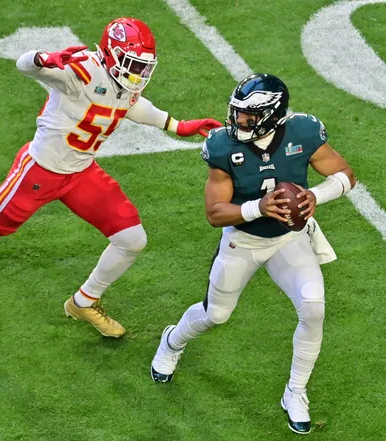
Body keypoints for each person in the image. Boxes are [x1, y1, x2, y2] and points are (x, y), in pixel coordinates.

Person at [0, 17, 222, 339]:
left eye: (143, 66)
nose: (139, 73)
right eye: (133, 64)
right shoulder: (82, 71)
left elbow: (132, 104)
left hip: (81, 173)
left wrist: (178, 126)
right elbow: (25, 66)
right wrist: (41, 59)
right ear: (111, 54)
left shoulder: (123, 83)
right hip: (40, 170)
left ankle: (84, 302)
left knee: (132, 239)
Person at [150, 73, 356, 435]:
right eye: (237, 111)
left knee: (313, 309)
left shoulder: (303, 132)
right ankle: (172, 341)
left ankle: (295, 392)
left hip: (289, 239)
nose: (239, 120)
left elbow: (345, 174)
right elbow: (215, 213)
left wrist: (316, 195)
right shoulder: (222, 146)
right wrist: (258, 207)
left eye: (249, 115)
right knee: (216, 315)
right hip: (242, 242)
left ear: (273, 115)